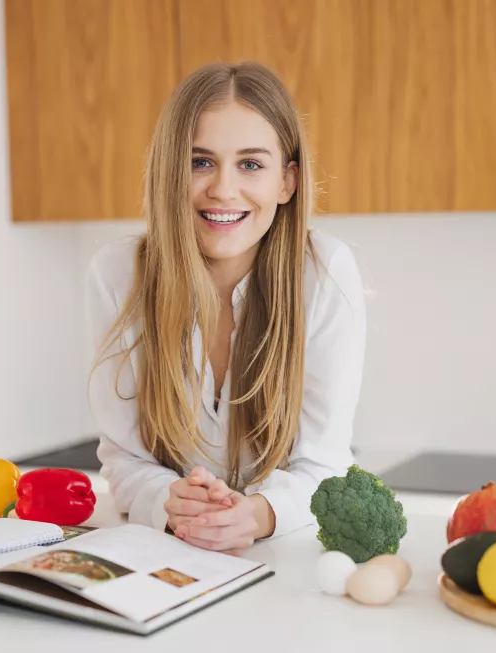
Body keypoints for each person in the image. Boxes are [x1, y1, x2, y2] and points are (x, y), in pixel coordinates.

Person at [85, 61, 367, 554]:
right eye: (200, 162)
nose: (223, 188)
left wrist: (257, 516)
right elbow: (125, 462)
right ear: (169, 173)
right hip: (169, 558)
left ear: (287, 181)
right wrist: (168, 501)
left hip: (279, 562)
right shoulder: (116, 275)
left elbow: (325, 467)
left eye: (251, 164)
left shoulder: (324, 274)